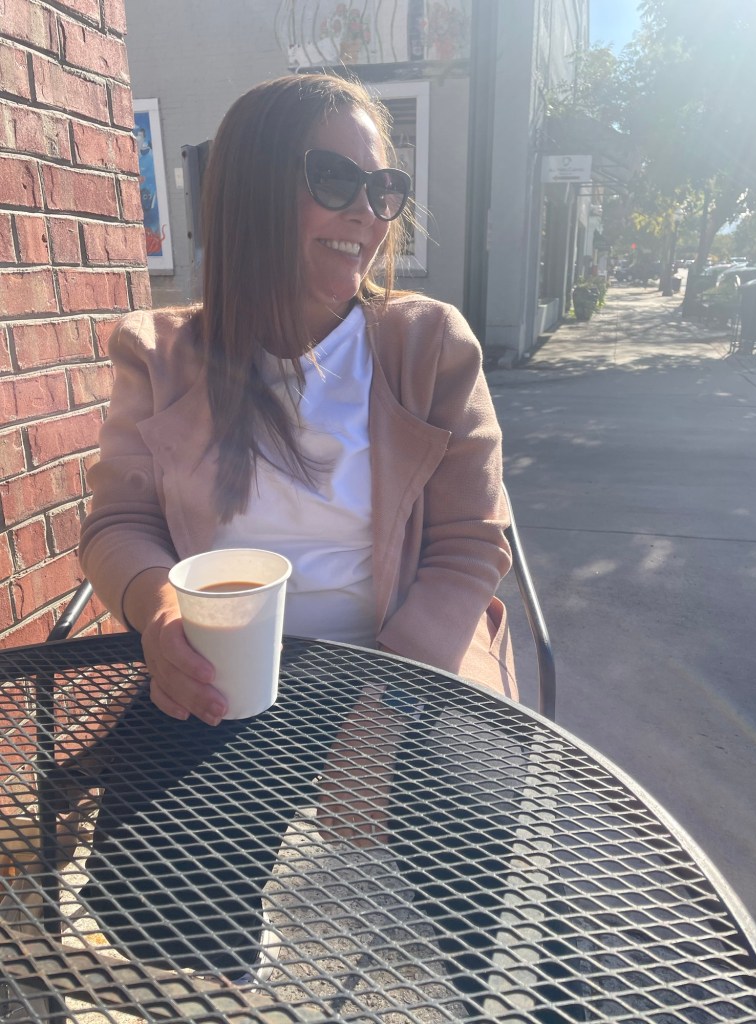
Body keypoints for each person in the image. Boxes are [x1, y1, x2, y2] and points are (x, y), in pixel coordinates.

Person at [78, 73, 516, 996]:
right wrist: (159, 612)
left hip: (409, 656)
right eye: (335, 179)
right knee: (149, 877)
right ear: (252, 190)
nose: (368, 211)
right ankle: (222, 986)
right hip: (231, 656)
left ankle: (500, 1002)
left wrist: (385, 710)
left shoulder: (429, 345)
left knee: (496, 856)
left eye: (384, 188)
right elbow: (120, 524)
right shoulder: (161, 355)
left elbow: (471, 546)